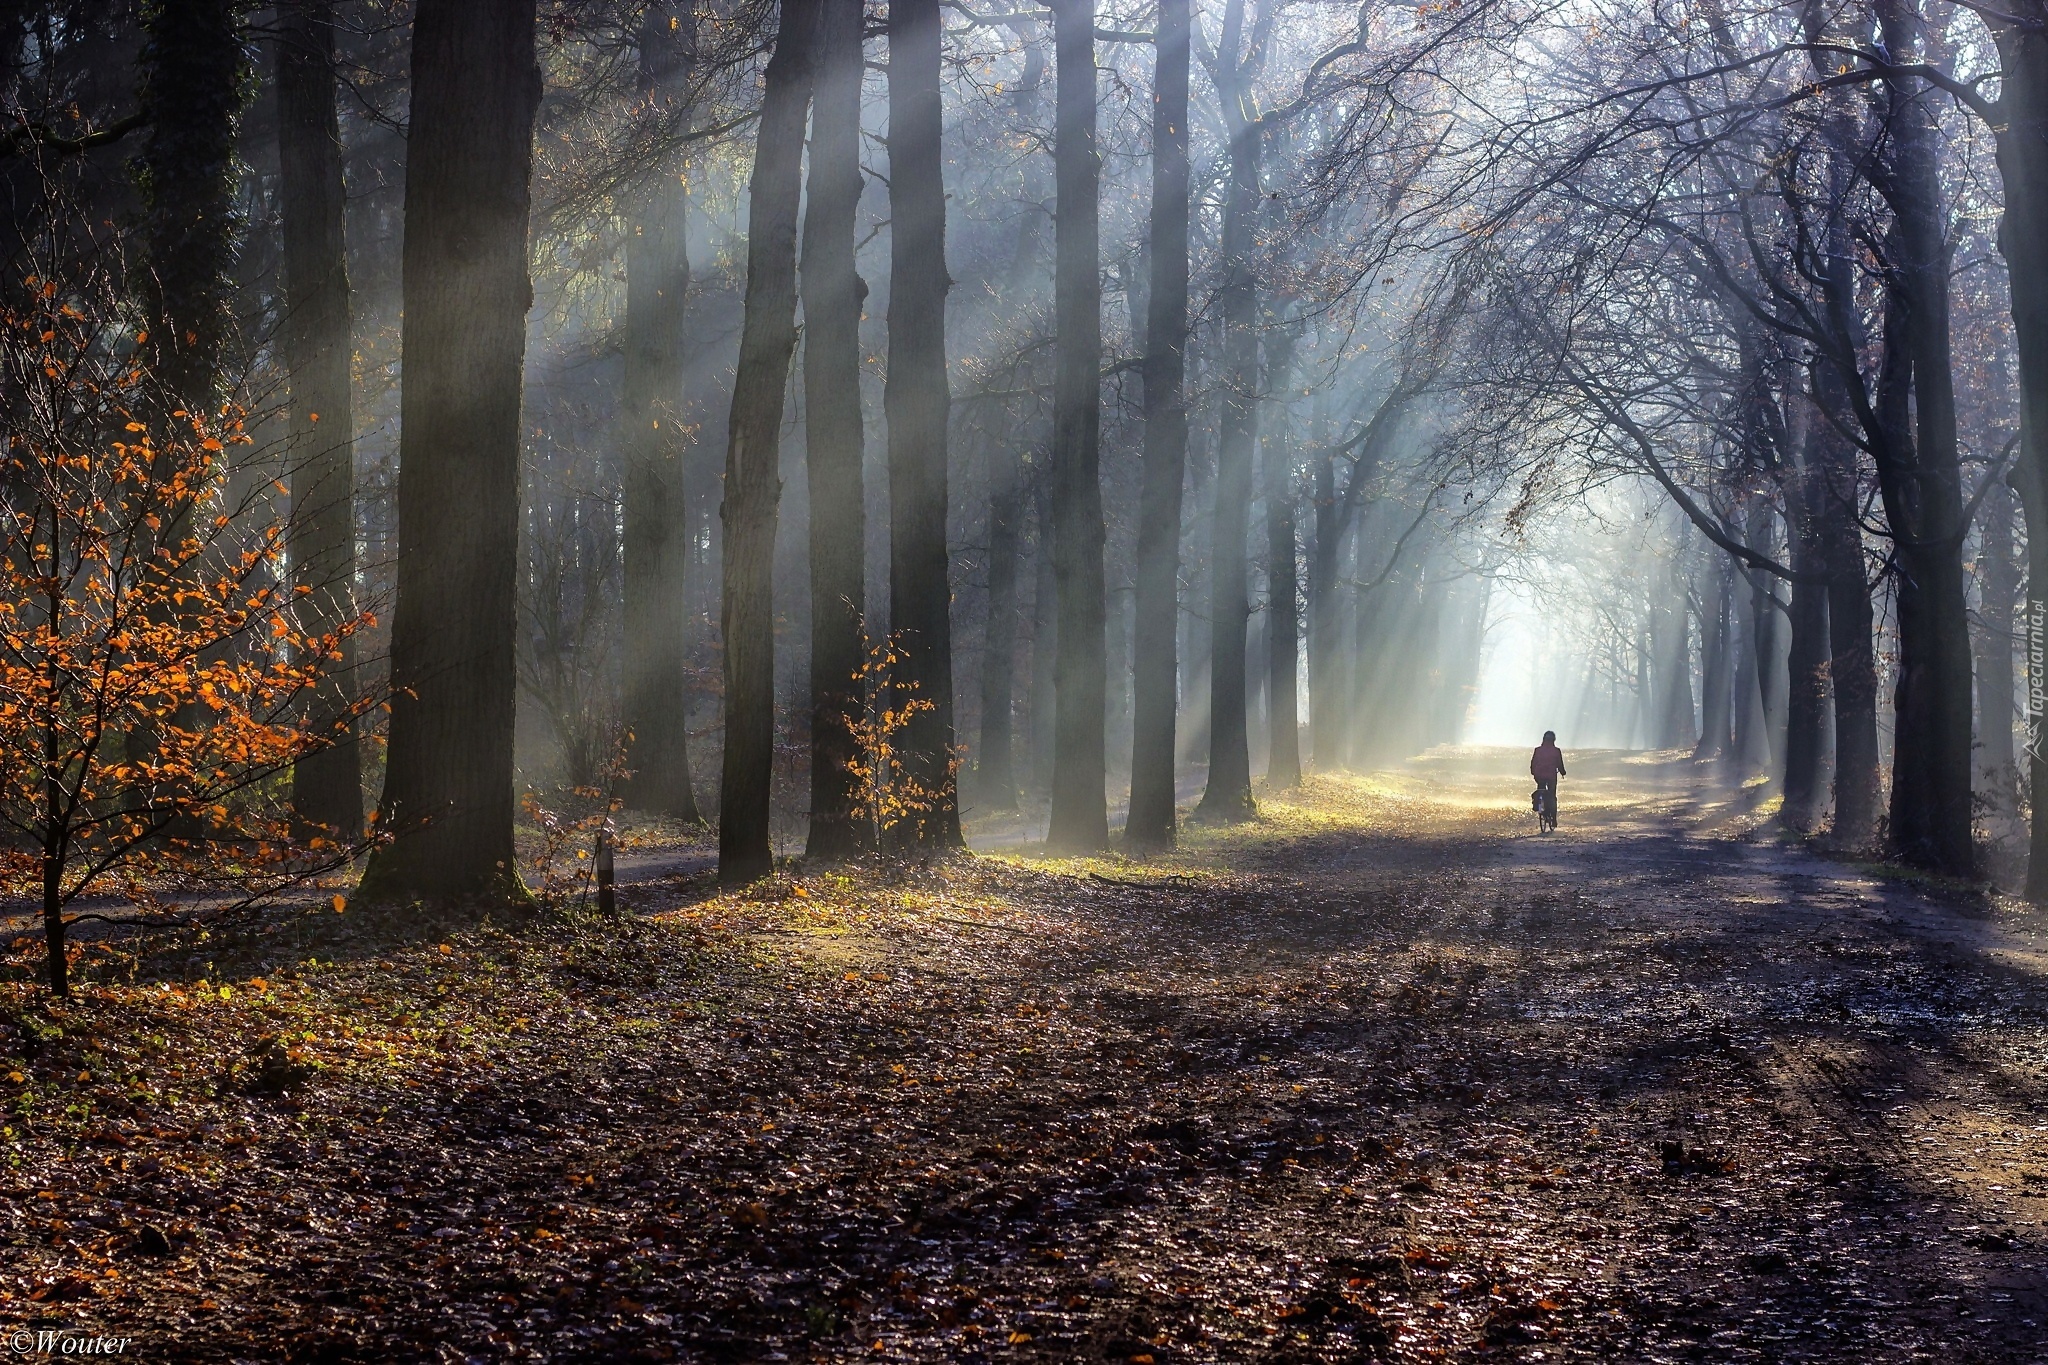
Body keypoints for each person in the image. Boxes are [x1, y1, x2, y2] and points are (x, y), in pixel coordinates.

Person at [1530, 730, 1566, 830]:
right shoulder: (1556, 751)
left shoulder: (1538, 750)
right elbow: (1559, 764)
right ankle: (1553, 819)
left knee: (1541, 790)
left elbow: (1533, 763)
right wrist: (1563, 772)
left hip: (1539, 775)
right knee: (1552, 796)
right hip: (1551, 776)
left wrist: (1533, 772)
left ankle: (1538, 805)